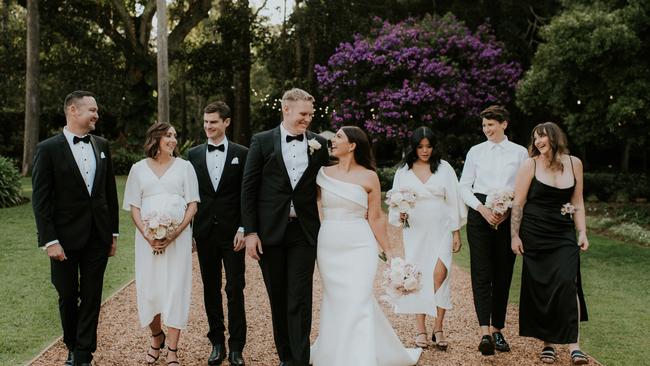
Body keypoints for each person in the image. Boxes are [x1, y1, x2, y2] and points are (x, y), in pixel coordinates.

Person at [310, 126, 421, 366]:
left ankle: (360, 356)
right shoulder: (321, 173)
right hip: (329, 243)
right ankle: (334, 352)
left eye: (339, 137)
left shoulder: (369, 176)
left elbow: (376, 217)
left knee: (359, 296)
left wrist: (389, 251)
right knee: (336, 298)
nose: (333, 141)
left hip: (360, 244)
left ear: (352, 145)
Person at [241, 88, 329, 366]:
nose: (308, 119)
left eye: (311, 115)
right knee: (277, 297)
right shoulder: (262, 141)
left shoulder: (318, 144)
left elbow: (333, 181)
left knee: (300, 298)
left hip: (304, 232)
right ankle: (286, 358)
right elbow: (249, 189)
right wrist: (251, 232)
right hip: (269, 233)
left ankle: (300, 360)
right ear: (286, 109)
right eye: (303, 114)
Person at [32, 91, 119, 366]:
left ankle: (83, 354)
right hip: (64, 238)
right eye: (92, 110)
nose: (96, 114)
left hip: (98, 235)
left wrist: (113, 233)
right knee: (67, 294)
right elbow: (41, 200)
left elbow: (109, 192)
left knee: (92, 296)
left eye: (96, 110)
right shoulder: (47, 149)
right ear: (73, 110)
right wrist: (50, 241)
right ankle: (71, 343)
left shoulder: (102, 145)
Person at [510, 122, 589, 365]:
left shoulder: (574, 163)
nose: (538, 142)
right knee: (543, 286)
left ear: (554, 137)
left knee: (568, 283)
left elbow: (577, 202)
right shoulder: (530, 164)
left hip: (563, 234)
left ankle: (574, 345)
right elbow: (518, 203)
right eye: (535, 138)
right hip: (535, 234)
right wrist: (514, 235)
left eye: (542, 136)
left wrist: (582, 232)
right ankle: (548, 344)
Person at [122, 122, 199, 366]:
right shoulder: (138, 169)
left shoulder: (185, 167)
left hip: (178, 240)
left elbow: (193, 205)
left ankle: (173, 351)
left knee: (176, 289)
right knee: (150, 291)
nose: (174, 140)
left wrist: (174, 234)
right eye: (168, 135)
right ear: (155, 138)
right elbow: (134, 207)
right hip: (147, 241)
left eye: (175, 135)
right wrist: (148, 235)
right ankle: (157, 337)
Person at [388, 126, 467, 350]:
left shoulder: (444, 169)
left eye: (429, 146)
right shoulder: (403, 171)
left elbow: (453, 202)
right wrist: (400, 213)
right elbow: (394, 202)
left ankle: (438, 327)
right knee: (417, 277)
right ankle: (421, 330)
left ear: (434, 147)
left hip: (440, 227)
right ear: (413, 147)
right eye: (420, 147)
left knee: (440, 275)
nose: (425, 151)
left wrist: (456, 232)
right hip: (414, 230)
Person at [459, 105, 528, 355]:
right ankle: (484, 333)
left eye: (491, 125)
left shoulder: (520, 153)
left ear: (504, 124)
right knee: (481, 272)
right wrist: (482, 209)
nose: (487, 129)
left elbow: (523, 187)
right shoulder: (476, 152)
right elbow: (464, 186)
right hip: (480, 214)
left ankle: (498, 330)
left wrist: (508, 212)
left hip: (509, 215)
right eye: (484, 125)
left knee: (503, 273)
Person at [187, 101, 248, 366]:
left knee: (235, 287)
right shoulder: (193, 155)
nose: (208, 126)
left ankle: (236, 347)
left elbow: (248, 195)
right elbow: (187, 196)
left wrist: (244, 228)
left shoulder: (242, 153)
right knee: (210, 288)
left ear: (226, 122)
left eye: (213, 122)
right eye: (205, 122)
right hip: (204, 232)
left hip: (233, 232)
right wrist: (188, 230)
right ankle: (216, 343)